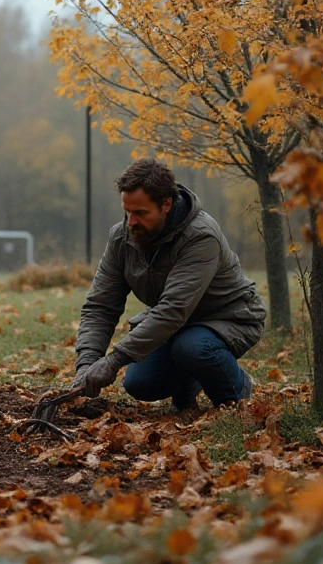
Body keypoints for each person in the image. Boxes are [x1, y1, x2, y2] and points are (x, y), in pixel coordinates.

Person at [64, 158, 266, 412]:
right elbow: (101, 305)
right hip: (174, 326)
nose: (131, 222)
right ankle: (191, 382)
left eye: (140, 213)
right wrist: (87, 362)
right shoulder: (121, 237)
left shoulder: (201, 236)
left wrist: (115, 359)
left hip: (228, 317)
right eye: (127, 211)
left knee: (194, 348)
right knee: (140, 384)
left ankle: (238, 389)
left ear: (166, 205)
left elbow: (173, 310)